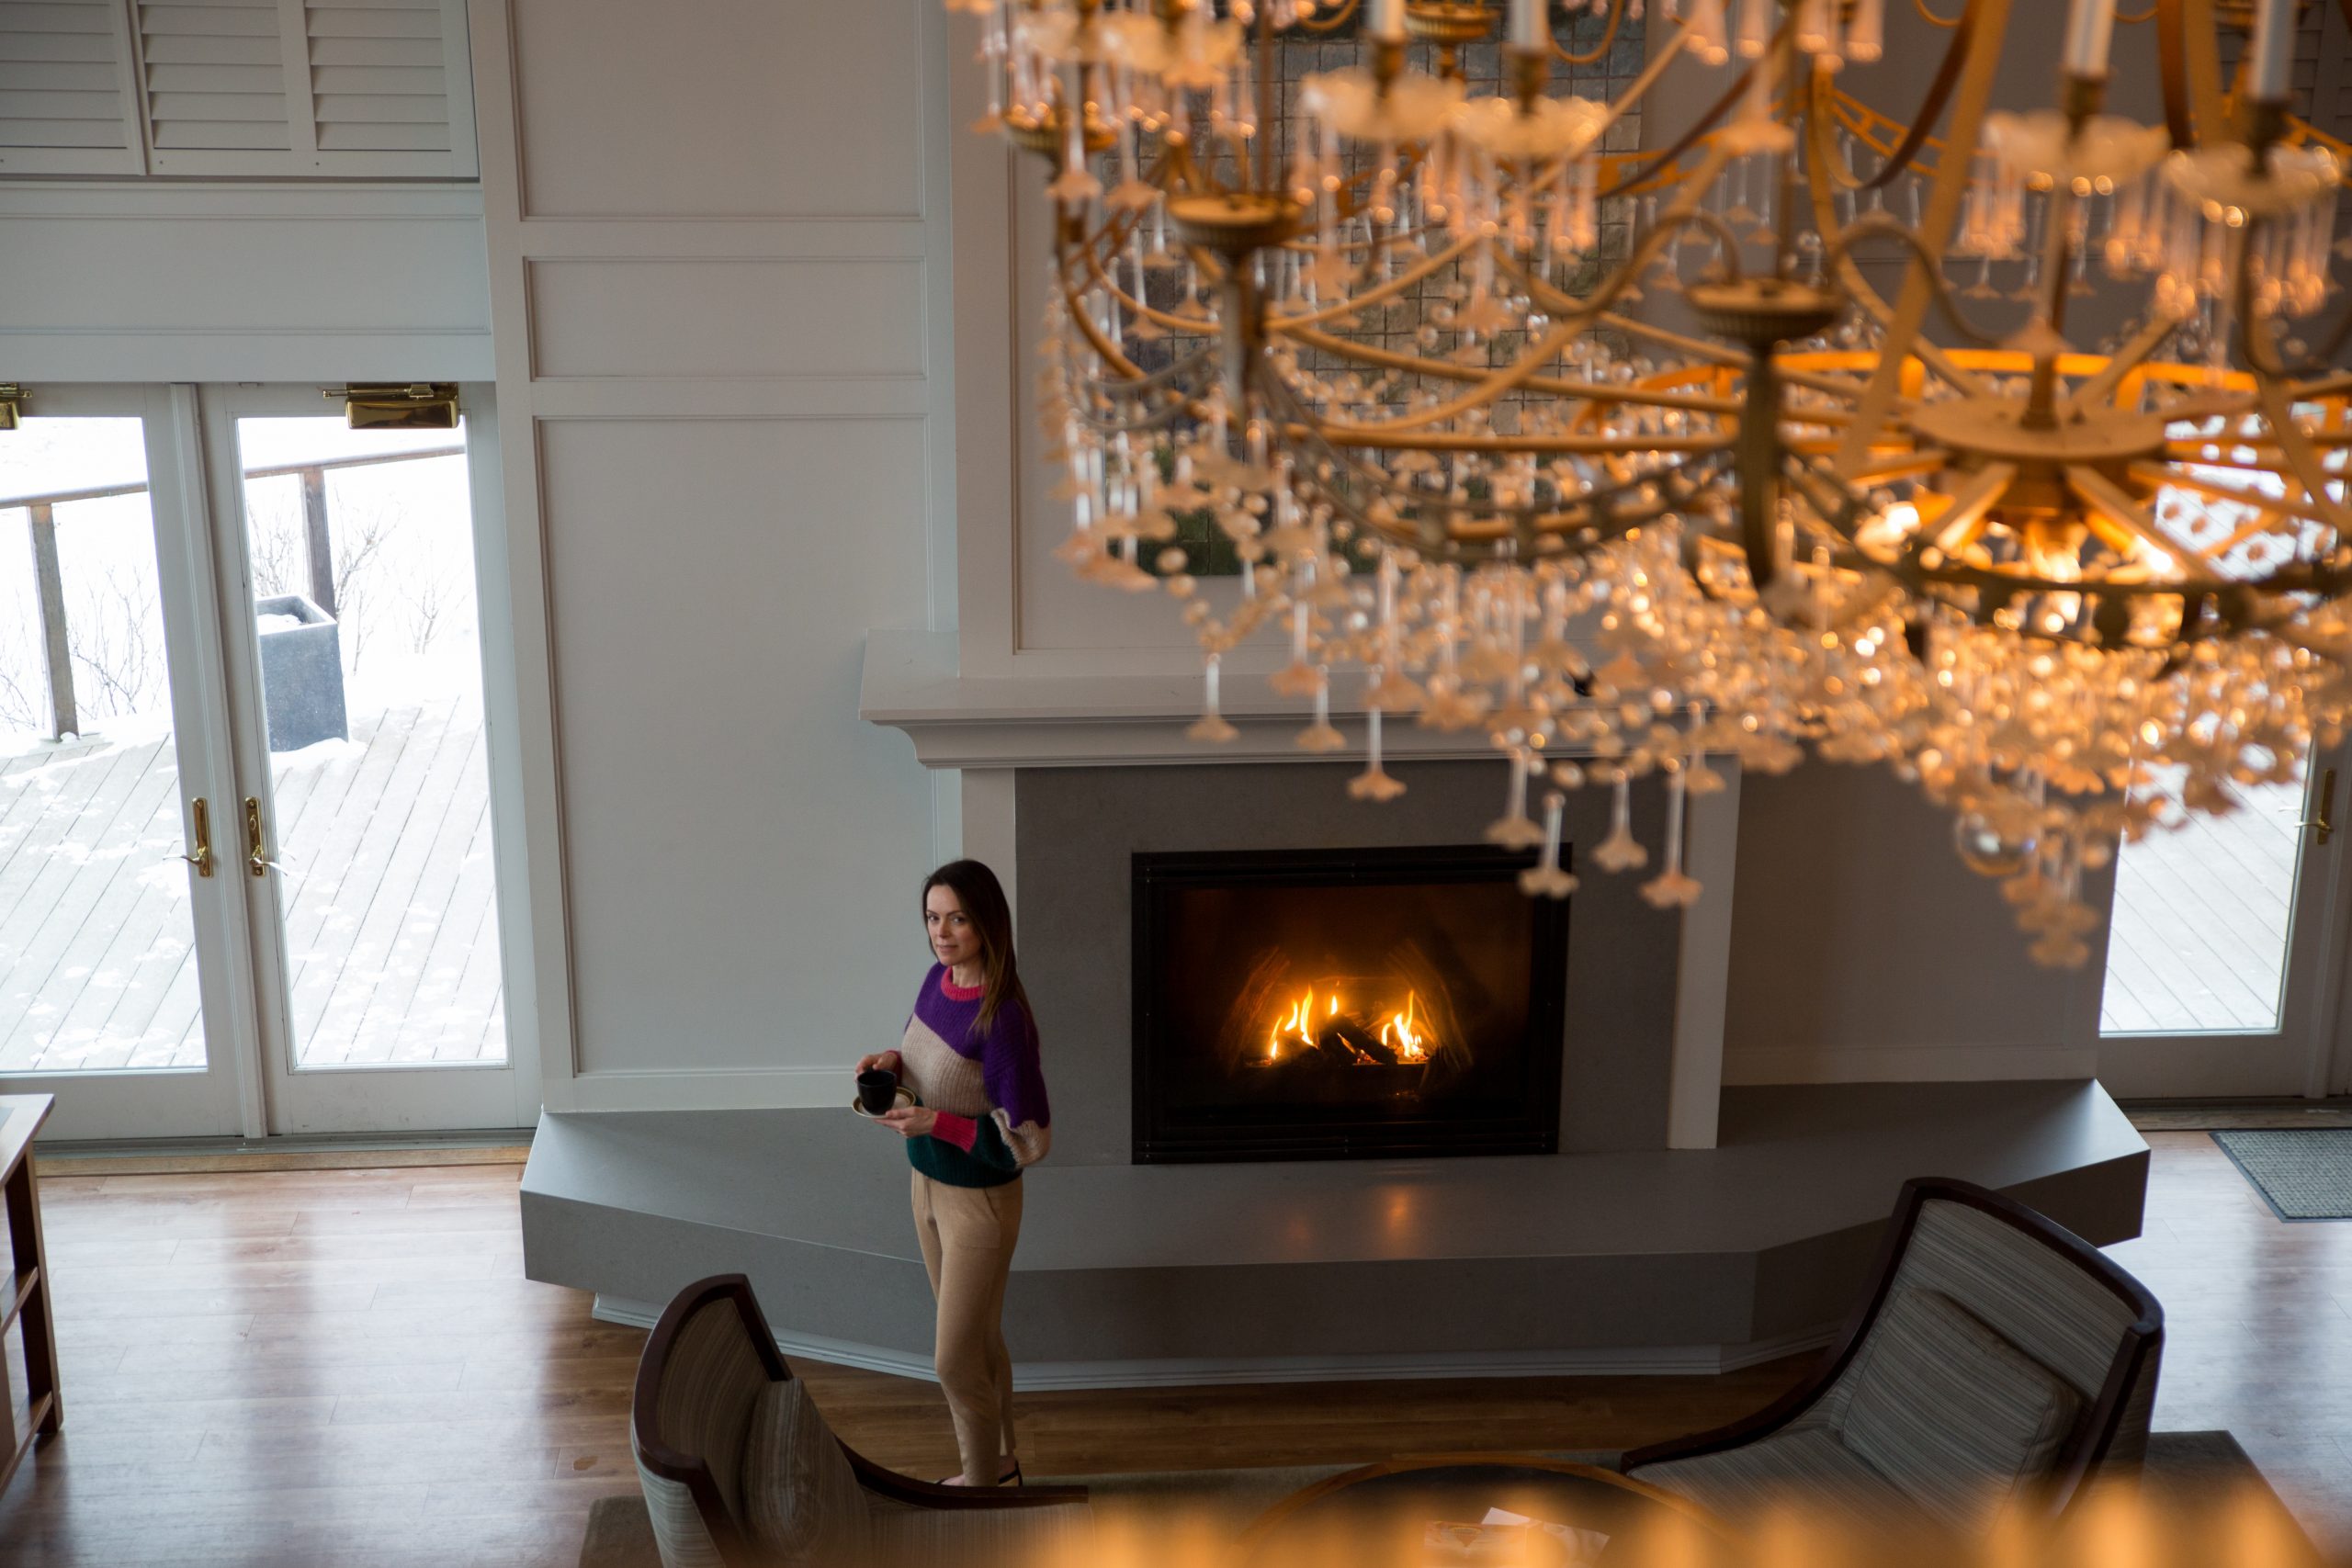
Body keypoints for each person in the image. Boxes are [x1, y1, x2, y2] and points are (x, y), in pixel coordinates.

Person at [858, 859, 1051, 1487]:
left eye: (958, 918)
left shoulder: (1005, 1019)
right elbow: (928, 1064)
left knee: (953, 1358)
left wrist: (937, 1123)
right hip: (927, 1184)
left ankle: (978, 1487)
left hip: (980, 1204)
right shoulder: (937, 982)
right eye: (932, 918)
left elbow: (1030, 1139)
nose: (942, 932)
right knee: (980, 1341)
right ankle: (1001, 1467)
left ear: (987, 922)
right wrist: (892, 1060)